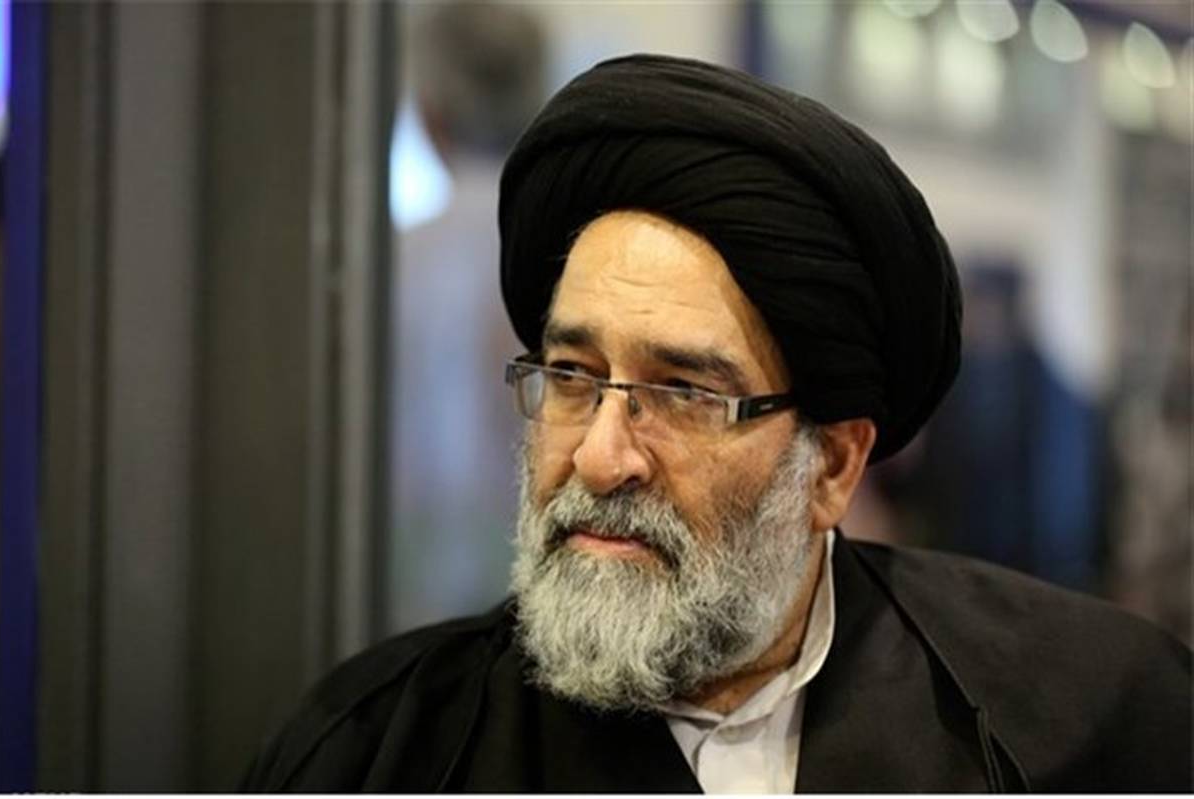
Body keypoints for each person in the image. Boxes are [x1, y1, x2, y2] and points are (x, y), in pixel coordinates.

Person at [243, 55, 1191, 793]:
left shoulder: (1094, 722)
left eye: (685, 394)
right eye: (572, 377)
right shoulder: (371, 752)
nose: (601, 456)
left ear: (834, 465)